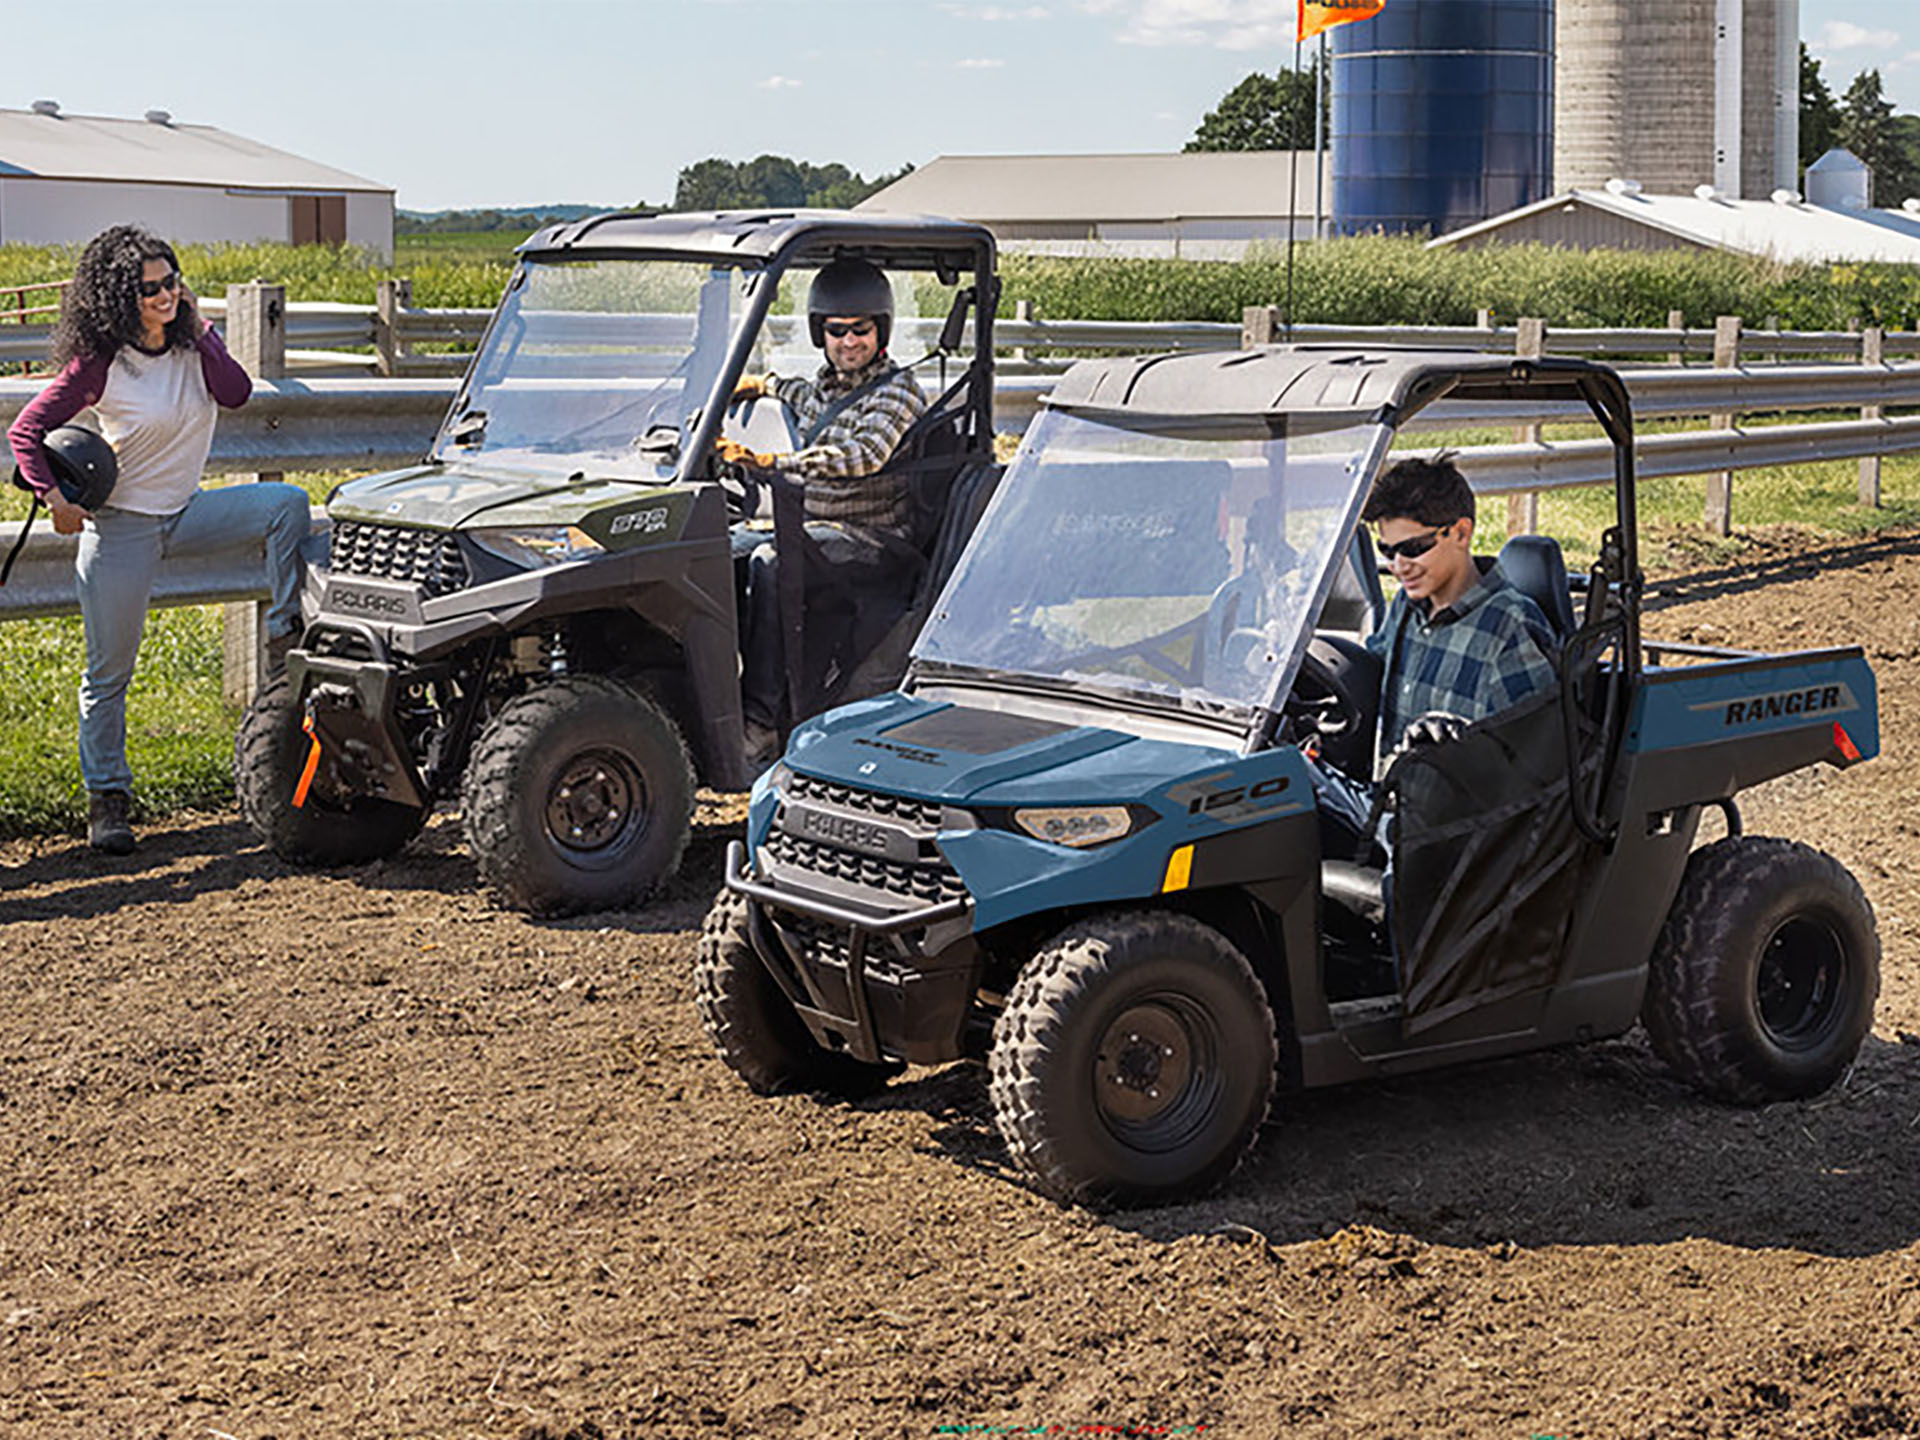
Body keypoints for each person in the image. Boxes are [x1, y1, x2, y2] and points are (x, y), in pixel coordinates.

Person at [6, 225, 310, 856]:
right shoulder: (100, 364)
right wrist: (54, 501)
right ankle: (108, 801)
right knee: (108, 674)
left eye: (172, 281)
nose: (165, 295)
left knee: (289, 505)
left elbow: (238, 393)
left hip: (188, 512)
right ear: (121, 297)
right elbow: (26, 431)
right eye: (150, 289)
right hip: (122, 528)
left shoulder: (194, 346)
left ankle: (285, 637)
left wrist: (201, 328)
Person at [717, 258, 928, 762]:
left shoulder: (898, 393)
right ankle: (716, 699)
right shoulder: (823, 389)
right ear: (820, 332)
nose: (848, 341)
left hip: (875, 540)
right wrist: (756, 383)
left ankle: (763, 721)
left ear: (882, 332)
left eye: (861, 330)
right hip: (816, 529)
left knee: (773, 564)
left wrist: (772, 462)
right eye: (836, 330)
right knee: (719, 551)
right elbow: (788, 390)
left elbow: (861, 455)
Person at [1310, 453, 1560, 861]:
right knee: (1276, 790)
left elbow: (1536, 767)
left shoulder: (1510, 627)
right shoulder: (1407, 608)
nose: (1398, 566)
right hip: (1384, 810)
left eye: (1413, 548)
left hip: (1452, 837)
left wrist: (1460, 740)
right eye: (1387, 550)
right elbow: (1365, 679)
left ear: (1461, 533)